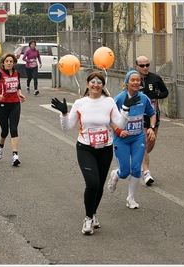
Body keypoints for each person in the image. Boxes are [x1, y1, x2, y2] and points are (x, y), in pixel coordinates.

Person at [50, 72, 140, 235]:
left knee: (98, 186)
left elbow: (120, 124)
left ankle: (93, 213)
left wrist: (126, 109)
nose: (96, 84)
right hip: (85, 148)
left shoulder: (109, 102)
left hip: (105, 149)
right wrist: (64, 114)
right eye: (93, 82)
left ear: (103, 86)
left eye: (99, 82)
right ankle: (88, 218)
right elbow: (66, 127)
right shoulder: (80, 103)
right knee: (92, 183)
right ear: (87, 84)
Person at [107, 70, 156, 209]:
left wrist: (151, 127)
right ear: (127, 82)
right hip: (121, 139)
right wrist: (118, 130)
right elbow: (109, 117)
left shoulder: (144, 98)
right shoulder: (119, 98)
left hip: (138, 138)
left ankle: (131, 198)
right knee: (125, 172)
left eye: (138, 80)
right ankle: (115, 174)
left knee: (136, 169)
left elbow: (152, 114)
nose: (135, 82)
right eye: (132, 80)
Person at [0, 52, 26, 166]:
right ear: (3, 63)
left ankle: (15, 155)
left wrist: (20, 94)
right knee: (5, 131)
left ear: (14, 63)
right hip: (2, 105)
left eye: (11, 61)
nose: (9, 63)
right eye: (7, 61)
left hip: (15, 104)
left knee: (14, 129)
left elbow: (18, 86)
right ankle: (1, 146)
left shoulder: (16, 73)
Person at [135, 55, 168, 185]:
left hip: (154, 115)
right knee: (143, 143)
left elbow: (165, 92)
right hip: (138, 117)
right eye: (142, 66)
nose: (145, 68)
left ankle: (138, 158)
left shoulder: (155, 78)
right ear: (137, 66)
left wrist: (157, 95)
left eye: (147, 65)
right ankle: (147, 173)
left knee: (150, 144)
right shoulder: (134, 79)